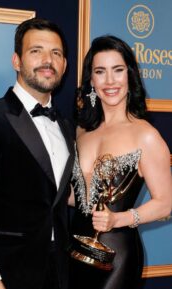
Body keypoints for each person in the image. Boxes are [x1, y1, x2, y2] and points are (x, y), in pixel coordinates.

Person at [0, 18, 75, 289]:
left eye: (56, 53)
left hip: (60, 272)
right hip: (7, 274)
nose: (47, 60)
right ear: (16, 61)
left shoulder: (66, 127)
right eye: (36, 51)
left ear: (65, 65)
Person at [69, 35, 172, 289]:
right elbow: (78, 196)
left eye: (118, 70)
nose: (110, 81)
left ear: (130, 75)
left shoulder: (145, 135)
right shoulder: (82, 132)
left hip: (118, 258)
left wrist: (119, 219)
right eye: (100, 72)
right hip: (74, 252)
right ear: (91, 80)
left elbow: (165, 203)